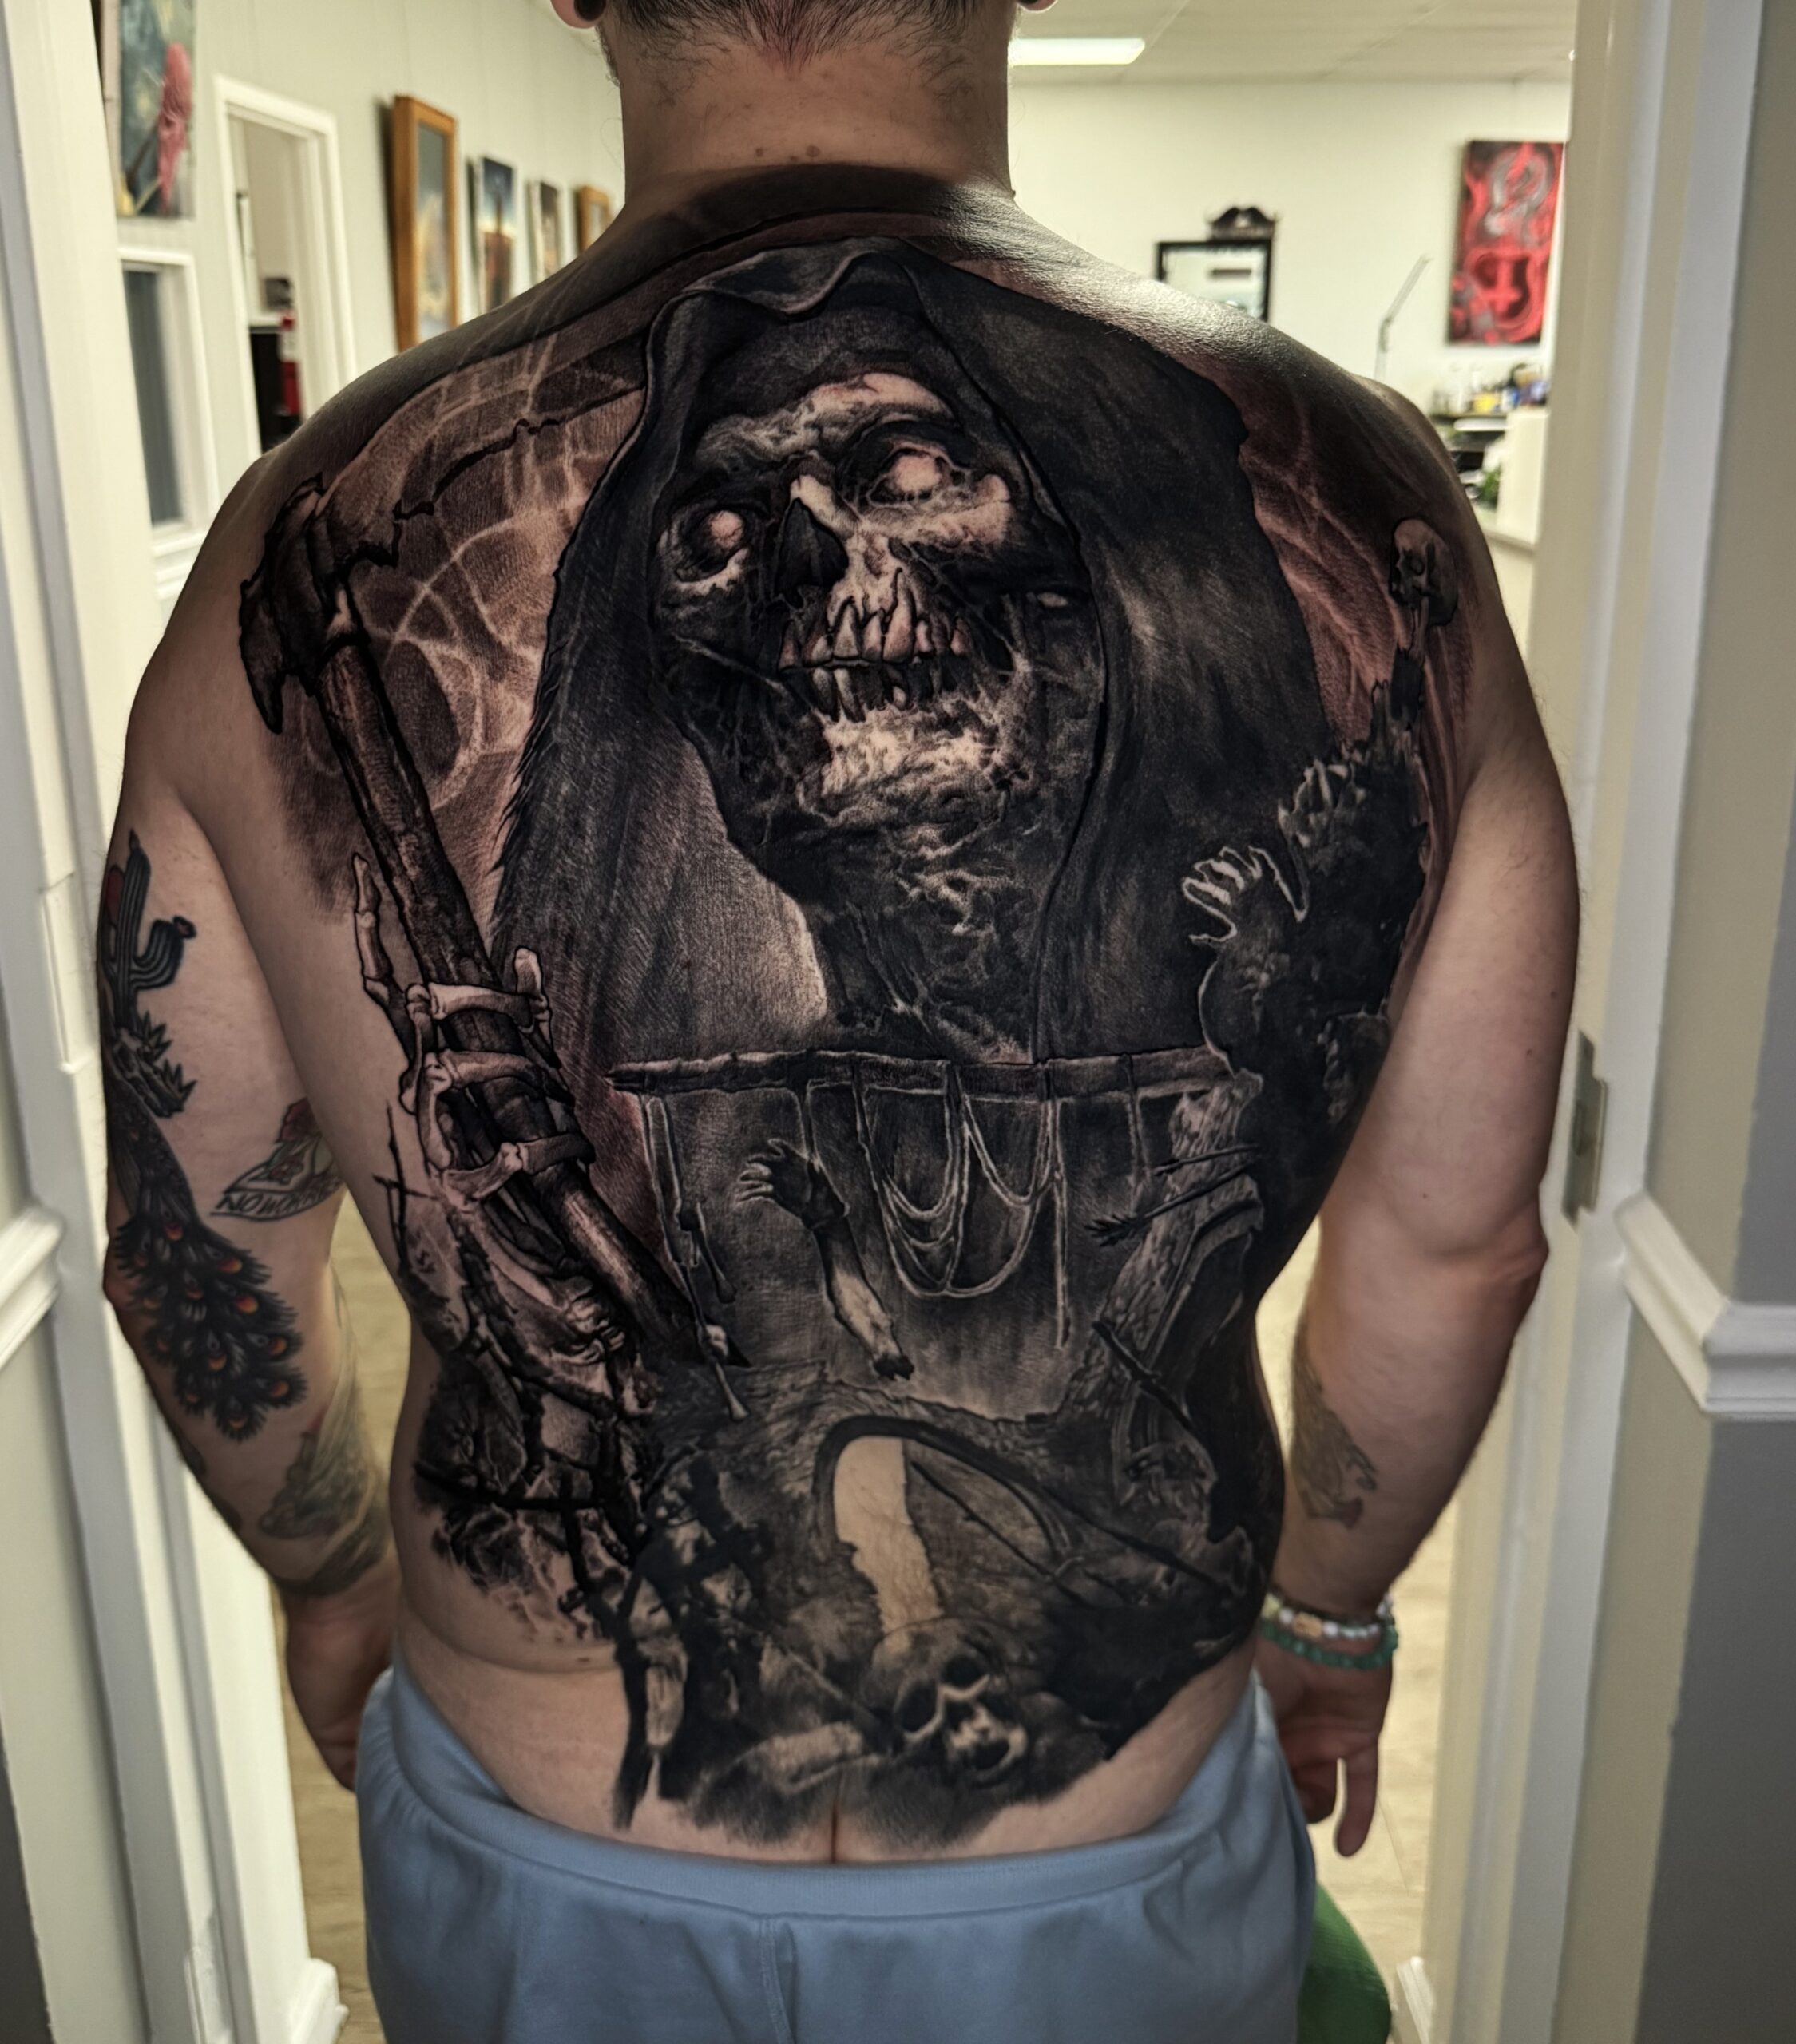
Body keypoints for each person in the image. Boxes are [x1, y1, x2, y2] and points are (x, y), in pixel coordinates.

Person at [97, 0, 1577, 2037]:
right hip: (1102, 1866)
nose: (815, 575)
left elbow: (197, 1248)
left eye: (905, 471)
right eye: (718, 537)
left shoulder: (290, 530)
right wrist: (1326, 1606)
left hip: (552, 1860)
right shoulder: (1391, 505)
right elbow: (1454, 1244)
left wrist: (335, 1572)